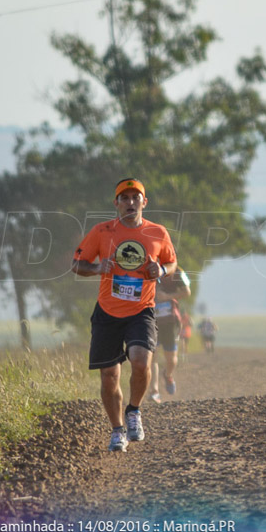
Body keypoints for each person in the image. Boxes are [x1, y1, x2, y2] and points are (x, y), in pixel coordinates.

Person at [71, 178, 177, 452]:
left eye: (135, 197)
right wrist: (96, 269)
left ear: (144, 202)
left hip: (141, 310)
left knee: (141, 362)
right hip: (107, 312)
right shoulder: (102, 231)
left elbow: (172, 262)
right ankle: (118, 430)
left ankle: (134, 411)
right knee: (109, 375)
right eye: (125, 198)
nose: (130, 202)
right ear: (116, 203)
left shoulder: (158, 232)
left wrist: (161, 272)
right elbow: (77, 263)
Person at [148, 268, 192, 403]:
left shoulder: (178, 272)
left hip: (170, 321)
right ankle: (154, 391)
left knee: (171, 359)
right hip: (151, 320)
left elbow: (187, 292)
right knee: (151, 357)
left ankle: (168, 375)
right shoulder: (147, 268)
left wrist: (167, 297)